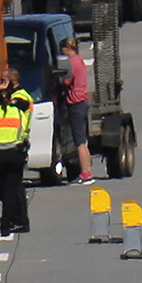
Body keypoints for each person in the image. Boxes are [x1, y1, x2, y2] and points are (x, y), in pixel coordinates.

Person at [0, 69, 34, 236]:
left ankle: (19, 220)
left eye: (3, 80)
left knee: (13, 190)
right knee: (13, 189)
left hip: (12, 145)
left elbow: (10, 106)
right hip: (13, 148)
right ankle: (14, 221)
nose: (0, 83)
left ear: (11, 81)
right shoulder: (12, 101)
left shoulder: (21, 97)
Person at [61, 36, 95, 184]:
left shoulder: (72, 62)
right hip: (83, 101)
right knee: (83, 141)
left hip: (75, 103)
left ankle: (86, 174)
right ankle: (87, 171)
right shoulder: (80, 60)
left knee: (79, 142)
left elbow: (68, 80)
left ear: (68, 48)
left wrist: (60, 81)